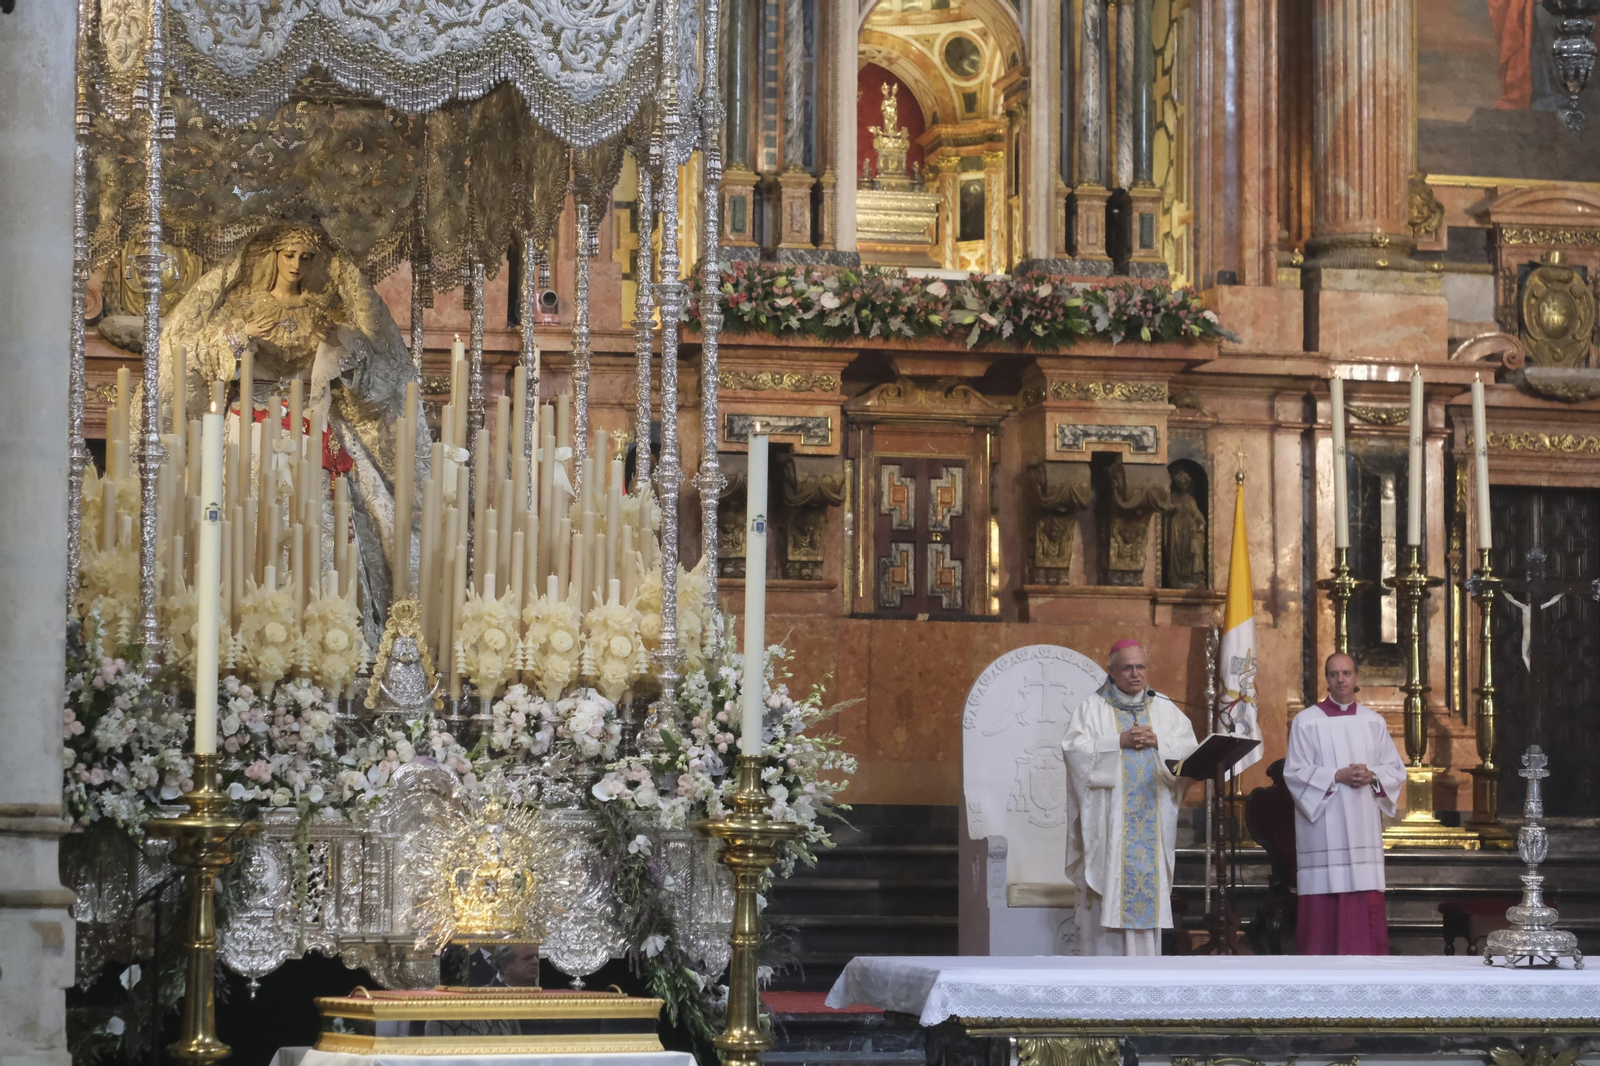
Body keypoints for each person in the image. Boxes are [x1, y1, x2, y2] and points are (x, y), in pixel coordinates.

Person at [157, 222, 428, 631]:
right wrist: (240, 336)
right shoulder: (244, 305)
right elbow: (201, 354)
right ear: (272, 257)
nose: (296, 264)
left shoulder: (321, 310)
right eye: (288, 255)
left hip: (310, 420)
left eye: (305, 257)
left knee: (332, 507)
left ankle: (325, 616)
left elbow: (363, 370)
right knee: (239, 502)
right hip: (248, 419)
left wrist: (337, 342)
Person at [1062, 639, 1199, 955]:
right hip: (1109, 822)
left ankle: (1146, 974)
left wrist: (1159, 742)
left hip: (1153, 817)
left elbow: (1190, 753)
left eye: (1141, 667)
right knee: (1109, 888)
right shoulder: (1092, 708)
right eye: (1127, 668)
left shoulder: (1163, 707)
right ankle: (1103, 970)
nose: (1136, 674)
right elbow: (1073, 750)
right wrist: (1117, 741)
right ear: (1111, 671)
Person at [1283, 653, 1407, 955]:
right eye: (1334, 674)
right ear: (1326, 678)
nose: (1341, 680)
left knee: (1362, 895)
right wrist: (1335, 775)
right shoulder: (1306, 722)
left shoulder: (1372, 722)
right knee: (1325, 899)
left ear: (1356, 677)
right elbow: (1294, 773)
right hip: (1325, 825)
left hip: (1362, 822)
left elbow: (1394, 770)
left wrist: (1372, 774)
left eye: (1347, 673)